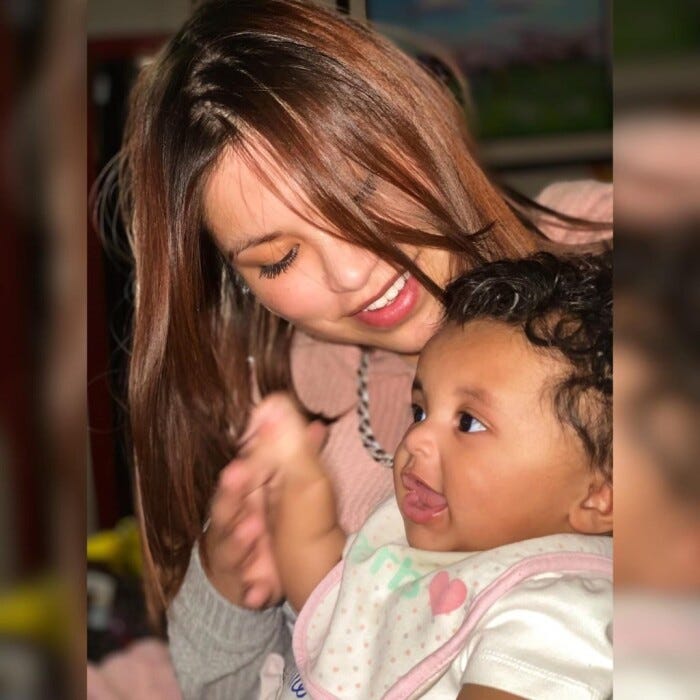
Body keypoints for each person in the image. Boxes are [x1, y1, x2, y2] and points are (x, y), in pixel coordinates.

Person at [113, 0, 611, 696]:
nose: (353, 273)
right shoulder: (282, 410)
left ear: (414, 120)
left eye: (363, 190)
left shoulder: (614, 255)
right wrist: (228, 590)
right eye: (281, 259)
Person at [224, 251, 612, 699]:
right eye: (420, 411)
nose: (417, 438)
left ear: (599, 497)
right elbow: (330, 596)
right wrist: (298, 486)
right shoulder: (422, 546)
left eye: (468, 422)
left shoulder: (558, 613)